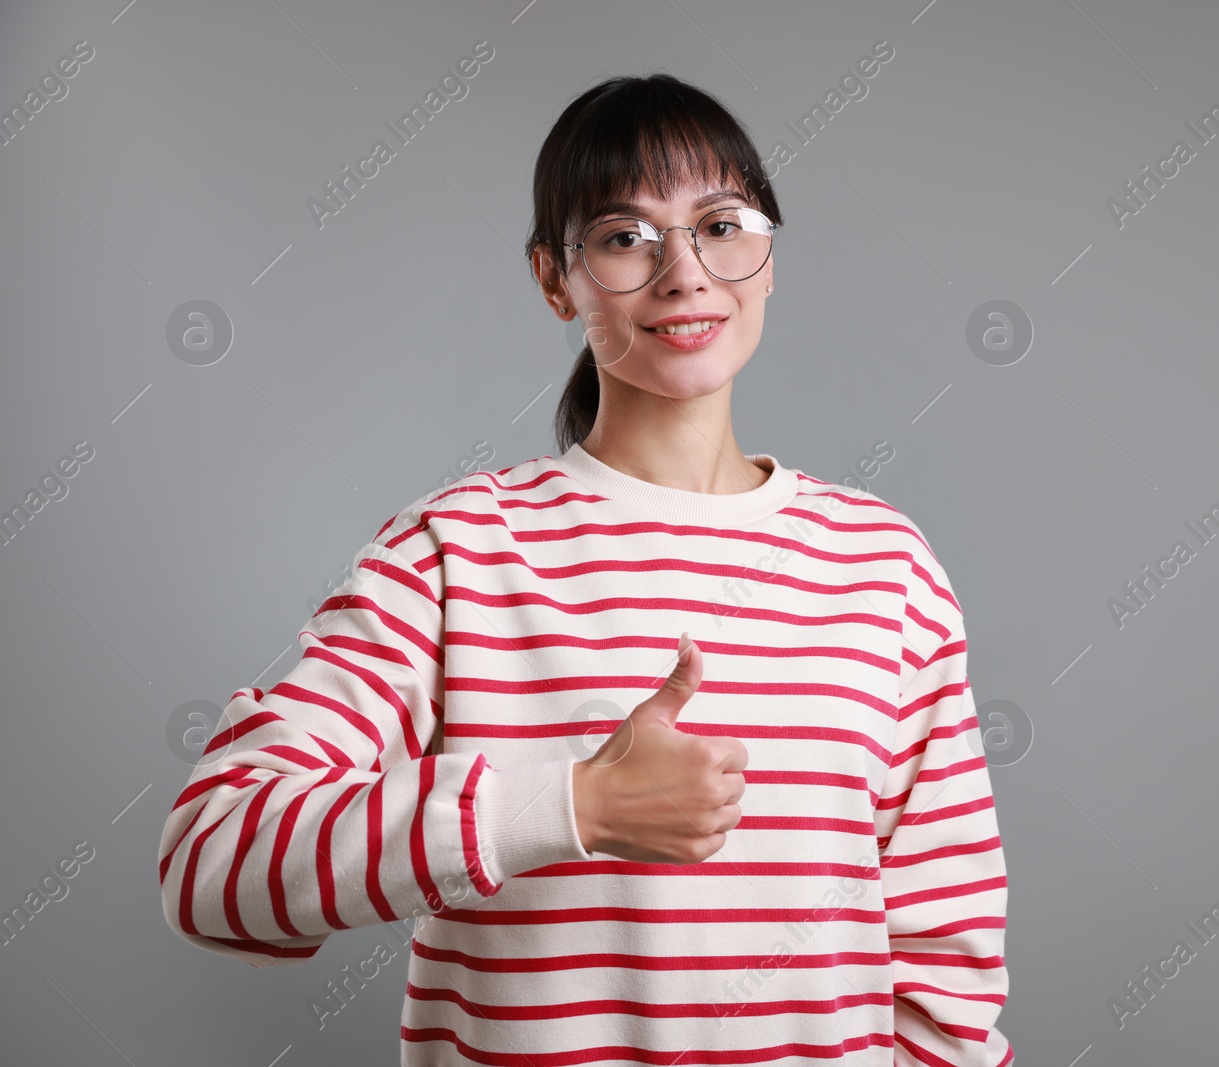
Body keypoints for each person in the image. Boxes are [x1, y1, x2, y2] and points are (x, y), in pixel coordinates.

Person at [156, 71, 1012, 1066]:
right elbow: (214, 863)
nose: (684, 272)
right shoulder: (457, 549)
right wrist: (571, 805)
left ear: (770, 256)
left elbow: (946, 976)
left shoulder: (884, 563)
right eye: (623, 237)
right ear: (552, 277)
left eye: (722, 224)